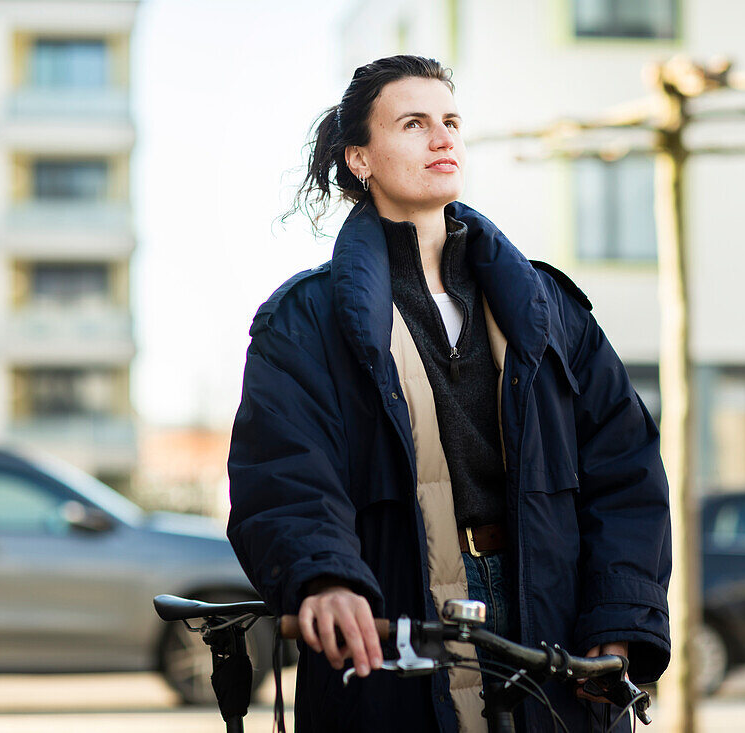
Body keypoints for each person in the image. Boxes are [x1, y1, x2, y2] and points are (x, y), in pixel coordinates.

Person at [226, 55, 671, 733]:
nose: (443, 138)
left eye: (451, 121)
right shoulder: (304, 320)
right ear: (361, 160)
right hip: (394, 610)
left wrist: (619, 617)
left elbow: (625, 466)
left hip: (547, 601)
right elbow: (284, 474)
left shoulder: (550, 307)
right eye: (413, 123)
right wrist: (326, 577)